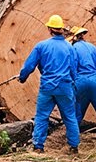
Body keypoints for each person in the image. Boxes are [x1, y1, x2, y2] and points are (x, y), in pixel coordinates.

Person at [19, 14, 81, 154]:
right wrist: (72, 83)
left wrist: (23, 77)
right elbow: (73, 68)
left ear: (49, 29)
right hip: (65, 87)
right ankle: (74, 146)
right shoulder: (69, 47)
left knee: (42, 116)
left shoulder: (41, 46)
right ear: (61, 29)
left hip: (47, 87)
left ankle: (38, 146)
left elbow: (29, 66)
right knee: (70, 116)